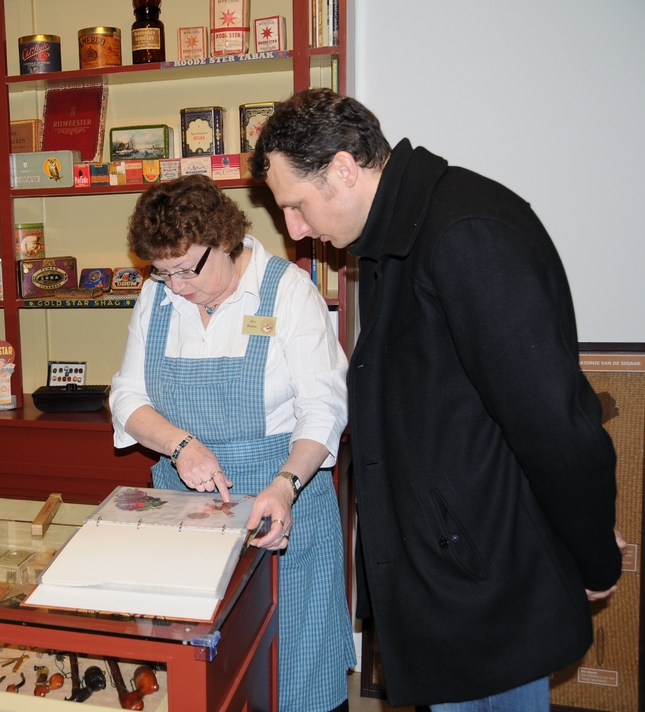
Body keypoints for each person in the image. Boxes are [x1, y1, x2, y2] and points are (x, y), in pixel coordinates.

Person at [251, 88, 624, 710]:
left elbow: (556, 426)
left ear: (344, 169)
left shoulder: (466, 234)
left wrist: (590, 556)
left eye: (296, 205)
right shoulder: (395, 236)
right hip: (451, 567)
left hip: (488, 579)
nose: (294, 229)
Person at [110, 175, 354, 712]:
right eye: (161, 271)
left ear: (224, 240)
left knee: (291, 670)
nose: (175, 286)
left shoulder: (287, 291)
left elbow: (323, 409)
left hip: (282, 505)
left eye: (185, 270)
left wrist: (284, 485)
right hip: (187, 515)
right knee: (205, 676)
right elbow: (127, 396)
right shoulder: (157, 296)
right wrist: (180, 446)